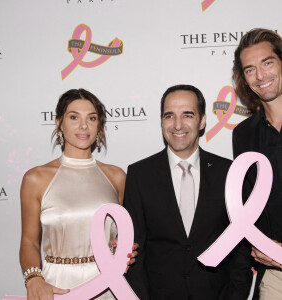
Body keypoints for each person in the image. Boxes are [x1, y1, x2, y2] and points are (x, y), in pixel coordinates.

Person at [124, 84, 252, 300]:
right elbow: (134, 250)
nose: (177, 125)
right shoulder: (139, 174)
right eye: (169, 116)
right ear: (162, 121)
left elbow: (241, 248)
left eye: (187, 115)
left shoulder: (229, 173)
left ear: (202, 121)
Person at [19, 88, 130, 300]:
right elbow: (29, 241)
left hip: (109, 286)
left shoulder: (117, 176)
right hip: (58, 287)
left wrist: (126, 250)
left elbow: (125, 236)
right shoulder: (36, 178)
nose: (83, 126)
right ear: (59, 122)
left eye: (92, 118)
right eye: (74, 117)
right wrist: (33, 278)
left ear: (99, 126)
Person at [232, 28, 282, 300]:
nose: (260, 76)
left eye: (267, 62)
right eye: (250, 69)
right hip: (274, 276)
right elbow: (248, 208)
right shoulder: (243, 135)